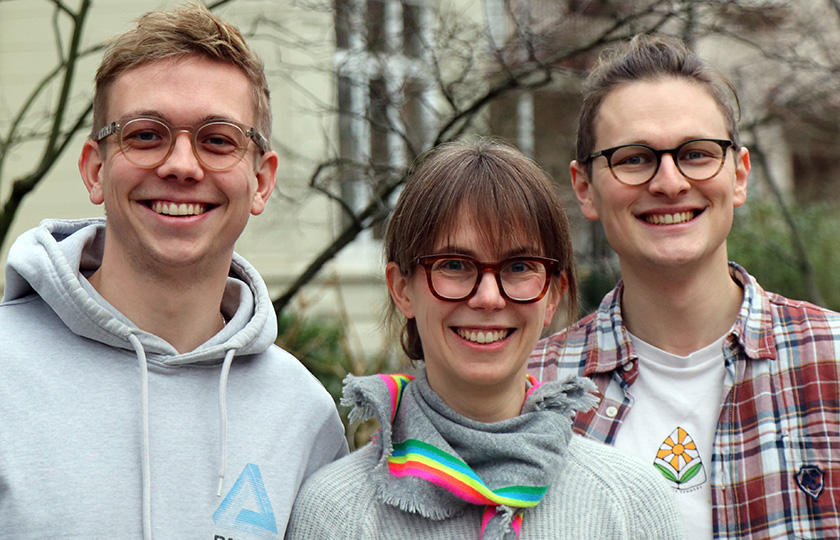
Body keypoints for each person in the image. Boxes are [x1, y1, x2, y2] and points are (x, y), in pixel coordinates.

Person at [0, 4, 347, 539]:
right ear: (95, 169)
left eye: (218, 140)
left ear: (261, 181)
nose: (182, 165)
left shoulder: (303, 416)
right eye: (146, 135)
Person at [285, 139, 682, 539]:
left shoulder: (631, 504)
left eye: (519, 266)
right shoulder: (337, 513)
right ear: (403, 288)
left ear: (552, 296)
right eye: (455, 265)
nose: (488, 297)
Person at [527, 35, 840, 540]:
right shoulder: (532, 395)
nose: (670, 182)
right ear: (585, 188)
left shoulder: (832, 365)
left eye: (695, 153)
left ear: (739, 175)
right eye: (633, 158)